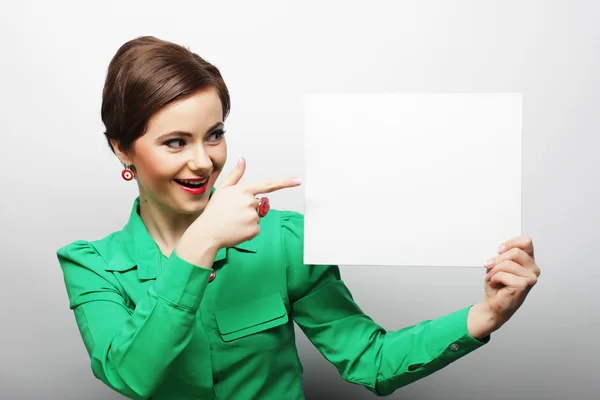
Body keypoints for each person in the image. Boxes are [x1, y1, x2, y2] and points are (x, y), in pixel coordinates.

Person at [56, 36, 541, 400]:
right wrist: (200, 243)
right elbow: (129, 375)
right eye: (175, 142)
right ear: (122, 148)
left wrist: (485, 315)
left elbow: (369, 360)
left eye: (215, 134)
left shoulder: (284, 240)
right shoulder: (90, 265)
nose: (203, 162)